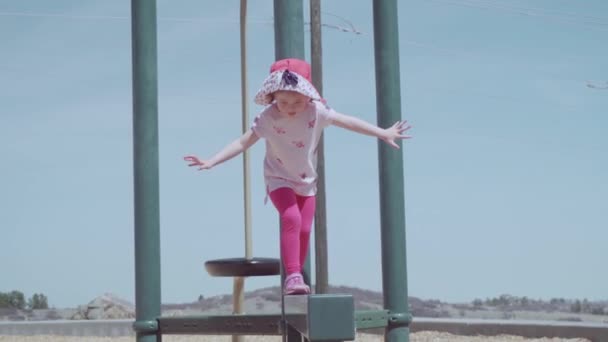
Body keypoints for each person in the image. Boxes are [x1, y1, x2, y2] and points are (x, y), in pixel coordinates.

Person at [184, 58, 411, 295]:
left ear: (308, 96)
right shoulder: (267, 118)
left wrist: (382, 133)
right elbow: (242, 142)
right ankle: (293, 275)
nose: (291, 107)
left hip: (307, 181)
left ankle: (297, 276)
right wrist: (212, 160)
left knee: (304, 229)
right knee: (291, 217)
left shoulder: (318, 111)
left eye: (297, 101)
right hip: (277, 178)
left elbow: (350, 122)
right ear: (272, 97)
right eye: (283, 101)